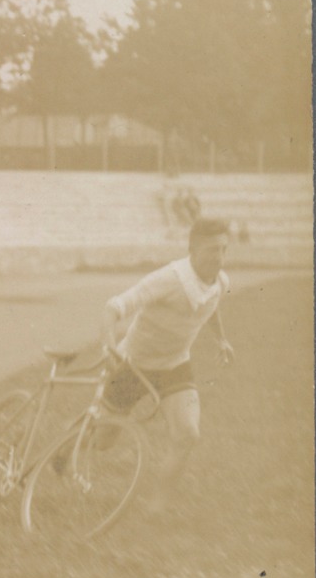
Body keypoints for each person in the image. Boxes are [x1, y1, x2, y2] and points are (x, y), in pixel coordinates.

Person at [100, 217, 235, 512]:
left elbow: (210, 304)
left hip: (175, 365)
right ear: (192, 249)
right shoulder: (169, 279)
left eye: (224, 249)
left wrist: (221, 340)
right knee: (102, 441)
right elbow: (114, 308)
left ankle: (156, 507)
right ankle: (64, 451)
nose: (219, 258)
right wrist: (110, 347)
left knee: (188, 433)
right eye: (212, 250)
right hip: (133, 365)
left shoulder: (220, 280)